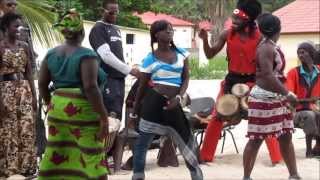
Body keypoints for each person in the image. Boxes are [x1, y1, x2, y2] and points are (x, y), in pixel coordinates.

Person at [198, 0, 282, 164]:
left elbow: (269, 65)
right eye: (233, 18)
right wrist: (204, 41)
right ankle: (205, 157)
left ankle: (277, 159)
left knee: (263, 118)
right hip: (231, 81)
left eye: (238, 19)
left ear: (249, 20)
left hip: (254, 82)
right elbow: (210, 55)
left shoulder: (260, 38)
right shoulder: (226, 34)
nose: (233, 22)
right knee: (217, 117)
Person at [38, 9, 109, 179]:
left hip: (57, 107)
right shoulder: (87, 55)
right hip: (81, 109)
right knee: (91, 151)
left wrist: (49, 103)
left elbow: (42, 83)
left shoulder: (51, 54)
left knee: (59, 149)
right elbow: (90, 87)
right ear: (82, 31)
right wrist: (103, 117)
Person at [131, 20, 203, 180]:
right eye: (166, 30)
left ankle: (197, 176)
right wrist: (135, 111)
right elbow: (142, 87)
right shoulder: (150, 59)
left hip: (174, 103)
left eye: (171, 30)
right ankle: (137, 176)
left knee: (186, 142)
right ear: (156, 34)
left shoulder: (182, 54)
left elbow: (185, 79)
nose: (170, 32)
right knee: (142, 144)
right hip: (153, 104)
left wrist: (179, 97)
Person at [242, 13, 301, 180]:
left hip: (277, 98)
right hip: (263, 99)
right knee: (256, 140)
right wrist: (287, 93)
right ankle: (246, 177)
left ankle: (294, 175)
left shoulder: (269, 46)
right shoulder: (266, 48)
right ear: (278, 29)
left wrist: (283, 95)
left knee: (285, 136)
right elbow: (268, 75)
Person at [89, 0, 140, 171]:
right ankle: (99, 159)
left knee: (116, 118)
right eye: (111, 12)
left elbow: (117, 55)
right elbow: (106, 56)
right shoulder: (98, 29)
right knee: (108, 120)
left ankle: (109, 158)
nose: (114, 15)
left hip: (119, 80)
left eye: (116, 12)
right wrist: (129, 70)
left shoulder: (116, 29)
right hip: (107, 79)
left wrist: (129, 70)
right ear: (102, 10)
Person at [0, 12, 37, 178]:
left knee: (26, 128)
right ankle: (10, 169)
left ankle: (27, 168)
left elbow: (29, 73)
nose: (19, 29)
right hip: (6, 91)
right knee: (9, 129)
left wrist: (34, 96)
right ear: (6, 27)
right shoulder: (0, 47)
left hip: (24, 90)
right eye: (16, 26)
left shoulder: (24, 46)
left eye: (20, 26)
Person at [286, 42, 320, 158]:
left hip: (315, 108)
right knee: (310, 115)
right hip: (297, 111)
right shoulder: (293, 73)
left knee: (316, 113)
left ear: (311, 53)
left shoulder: (319, 71)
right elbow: (290, 99)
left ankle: (318, 145)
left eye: (303, 52)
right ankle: (309, 151)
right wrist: (311, 100)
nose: (300, 55)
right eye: (298, 53)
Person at [0, 0, 37, 73]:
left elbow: (29, 45)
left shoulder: (23, 24)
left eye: (15, 5)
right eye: (9, 5)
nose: (13, 7)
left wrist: (32, 65)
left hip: (23, 71)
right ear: (1, 6)